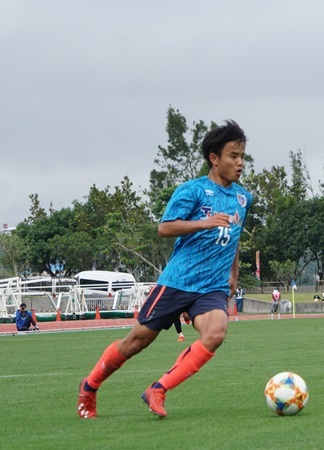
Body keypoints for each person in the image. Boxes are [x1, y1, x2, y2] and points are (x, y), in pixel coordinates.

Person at [77, 120, 251, 419]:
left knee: (216, 333)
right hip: (178, 282)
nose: (240, 163)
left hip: (212, 287)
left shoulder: (242, 198)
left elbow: (234, 237)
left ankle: (158, 389)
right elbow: (165, 228)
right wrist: (204, 222)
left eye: (242, 156)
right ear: (214, 158)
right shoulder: (192, 191)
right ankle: (90, 387)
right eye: (233, 156)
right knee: (135, 342)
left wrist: (233, 273)